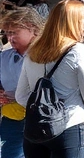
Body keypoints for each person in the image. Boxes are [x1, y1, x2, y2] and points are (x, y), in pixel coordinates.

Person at [15, 0, 84, 158]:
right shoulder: (79, 51)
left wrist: (43, 110)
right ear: (73, 21)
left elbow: (20, 95)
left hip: (35, 131)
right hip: (70, 127)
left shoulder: (33, 52)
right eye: (83, 18)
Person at [0, 8, 44, 158]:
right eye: (7, 32)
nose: (10, 37)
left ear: (33, 29)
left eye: (14, 32)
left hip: (40, 119)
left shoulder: (45, 58)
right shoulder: (4, 57)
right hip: (11, 119)